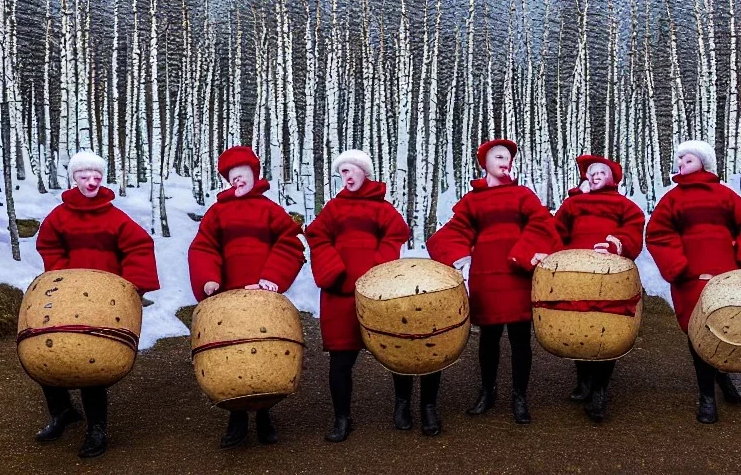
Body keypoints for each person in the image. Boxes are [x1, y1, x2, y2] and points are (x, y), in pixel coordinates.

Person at [305, 150, 438, 441]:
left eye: (352, 171)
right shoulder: (333, 208)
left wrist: (377, 270)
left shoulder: (381, 208)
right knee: (340, 360)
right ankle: (342, 418)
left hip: (377, 293)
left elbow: (396, 233)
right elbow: (316, 236)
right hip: (340, 293)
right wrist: (334, 268)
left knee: (397, 349)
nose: (348, 176)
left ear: (365, 172)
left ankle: (401, 406)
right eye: (343, 172)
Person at [35, 151, 160, 458]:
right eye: (83, 176)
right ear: (73, 178)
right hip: (65, 294)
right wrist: (62, 271)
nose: (91, 182)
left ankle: (96, 428)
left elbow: (139, 246)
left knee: (91, 358)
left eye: (96, 177)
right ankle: (62, 411)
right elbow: (48, 244)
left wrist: (129, 283)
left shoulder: (115, 217)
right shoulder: (59, 216)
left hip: (103, 300)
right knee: (45, 352)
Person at [427, 139, 559, 424]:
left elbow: (542, 224)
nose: (505, 160)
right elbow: (453, 231)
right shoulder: (473, 200)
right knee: (488, 338)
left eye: (508, 157)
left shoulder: (524, 195)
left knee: (520, 338)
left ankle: (519, 397)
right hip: (486, 275)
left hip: (518, 275)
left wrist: (523, 254)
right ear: (484, 163)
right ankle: (487, 392)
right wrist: (461, 257)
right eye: (498, 156)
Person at [188, 145, 306, 448]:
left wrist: (271, 279)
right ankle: (236, 419)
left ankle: (265, 414)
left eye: (243, 176)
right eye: (233, 177)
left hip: (262, 298)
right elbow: (203, 247)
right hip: (227, 300)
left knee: (265, 352)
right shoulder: (217, 212)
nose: (238, 182)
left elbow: (291, 243)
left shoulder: (269, 210)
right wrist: (209, 279)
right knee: (231, 355)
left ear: (255, 176)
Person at [646, 140, 741, 424]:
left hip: (726, 273)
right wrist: (680, 268)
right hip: (691, 276)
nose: (680, 163)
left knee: (728, 324)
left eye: (687, 159)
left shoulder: (726, 195)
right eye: (678, 159)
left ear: (704, 161)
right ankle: (707, 397)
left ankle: (723, 383)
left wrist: (737, 260)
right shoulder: (672, 199)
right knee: (699, 330)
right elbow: (658, 234)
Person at [553, 155, 645, 422]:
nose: (594, 176)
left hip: (610, 276)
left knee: (607, 326)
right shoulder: (572, 204)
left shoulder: (624, 205)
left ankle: (600, 390)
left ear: (613, 178)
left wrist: (618, 244)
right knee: (579, 323)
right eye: (590, 172)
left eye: (600, 172)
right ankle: (583, 381)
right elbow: (557, 230)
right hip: (576, 273)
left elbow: (633, 230)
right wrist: (557, 255)